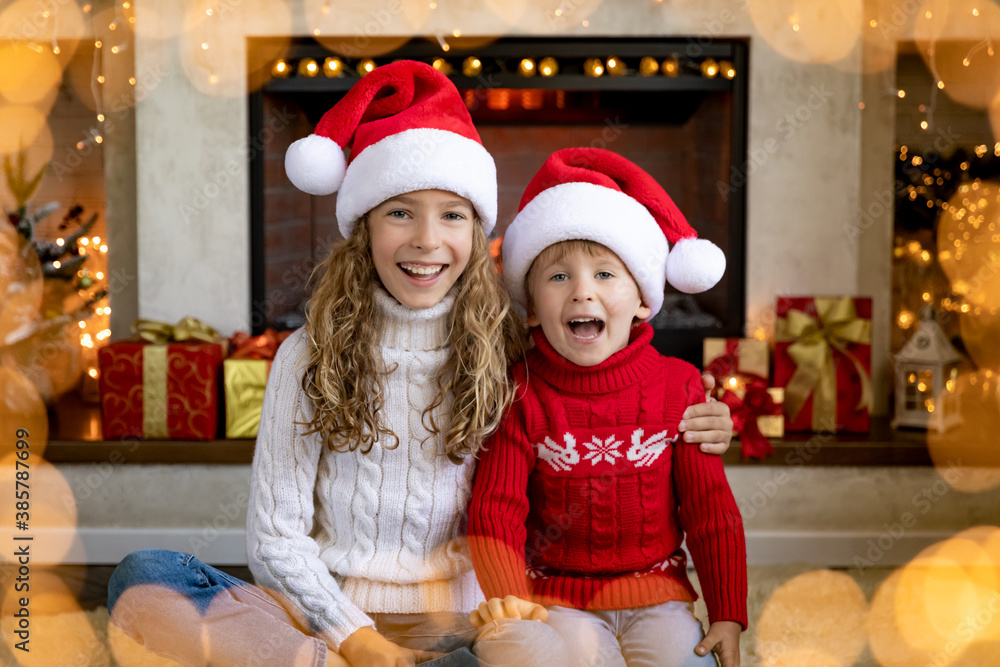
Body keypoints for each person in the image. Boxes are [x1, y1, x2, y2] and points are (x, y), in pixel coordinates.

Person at [106, 63, 733, 667]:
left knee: (534, 650)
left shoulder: (512, 348)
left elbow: (610, 394)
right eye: (400, 211)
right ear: (365, 227)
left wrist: (702, 413)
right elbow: (275, 539)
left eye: (452, 215)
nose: (427, 240)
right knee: (146, 582)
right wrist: (357, 639)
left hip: (463, 626)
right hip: (330, 616)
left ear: (477, 231)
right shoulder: (307, 355)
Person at [467, 148, 748, 667]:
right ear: (531, 311)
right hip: (557, 597)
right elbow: (495, 509)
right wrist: (511, 603)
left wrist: (728, 613)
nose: (581, 293)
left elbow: (710, 511)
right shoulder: (520, 391)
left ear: (643, 299)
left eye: (604, 275)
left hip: (658, 594)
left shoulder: (679, 387)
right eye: (558, 278)